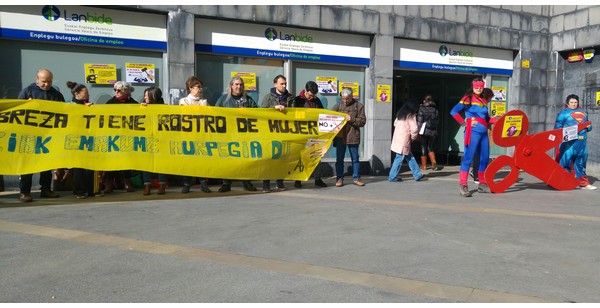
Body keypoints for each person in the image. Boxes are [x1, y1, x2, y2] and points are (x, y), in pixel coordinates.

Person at [16, 68, 65, 202]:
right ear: (37, 79)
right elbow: (17, 111)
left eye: (49, 81)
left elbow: (65, 112)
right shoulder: (27, 91)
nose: (47, 84)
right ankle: (25, 192)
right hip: (29, 135)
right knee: (28, 165)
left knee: (46, 164)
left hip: (47, 135)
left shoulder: (56, 95)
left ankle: (46, 190)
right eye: (44, 81)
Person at [450, 78, 496, 197]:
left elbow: (487, 119)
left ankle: (482, 183)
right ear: (473, 86)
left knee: (484, 158)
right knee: (468, 158)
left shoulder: (484, 100)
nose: (479, 88)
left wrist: (499, 120)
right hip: (473, 132)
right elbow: (454, 112)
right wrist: (464, 122)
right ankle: (463, 185)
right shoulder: (467, 98)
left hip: (483, 133)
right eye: (477, 86)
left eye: (481, 86)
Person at [214, 76, 258, 192]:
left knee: (245, 159)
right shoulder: (223, 100)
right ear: (231, 86)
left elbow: (258, 114)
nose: (239, 87)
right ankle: (226, 183)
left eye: (241, 85)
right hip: (228, 135)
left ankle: (246, 182)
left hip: (245, 135)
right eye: (236, 84)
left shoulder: (249, 100)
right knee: (227, 159)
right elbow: (215, 114)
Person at [66, 81, 103, 199]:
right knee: (79, 167)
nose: (88, 94)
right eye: (85, 93)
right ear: (77, 94)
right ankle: (79, 191)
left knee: (92, 165)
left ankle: (93, 189)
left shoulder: (90, 105)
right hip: (76, 139)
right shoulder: (70, 106)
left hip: (90, 138)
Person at [554, 94, 597, 190]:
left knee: (581, 162)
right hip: (568, 142)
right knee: (565, 162)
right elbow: (557, 129)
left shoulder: (584, 113)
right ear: (567, 103)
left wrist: (588, 127)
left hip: (581, 142)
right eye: (571, 102)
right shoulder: (562, 114)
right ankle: (563, 181)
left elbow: (589, 127)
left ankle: (583, 183)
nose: (573, 104)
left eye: (575, 102)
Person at [260, 74, 295, 192]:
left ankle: (280, 182)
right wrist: (273, 108)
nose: (284, 86)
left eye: (285, 84)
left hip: (285, 132)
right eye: (282, 84)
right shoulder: (268, 97)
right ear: (275, 84)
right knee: (269, 158)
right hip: (271, 132)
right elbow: (261, 113)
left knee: (282, 158)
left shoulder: (290, 98)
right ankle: (266, 184)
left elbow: (295, 113)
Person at [103, 81, 138, 193]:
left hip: (127, 136)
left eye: (119, 90)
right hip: (113, 136)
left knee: (127, 160)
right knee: (112, 160)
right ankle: (109, 183)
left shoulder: (134, 104)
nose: (116, 92)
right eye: (115, 90)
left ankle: (127, 182)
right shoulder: (110, 103)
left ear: (126, 91)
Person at [178, 76, 211, 193]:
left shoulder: (204, 101)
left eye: (201, 87)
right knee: (188, 160)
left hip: (201, 135)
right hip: (188, 136)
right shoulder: (183, 101)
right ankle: (187, 184)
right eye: (198, 87)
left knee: (202, 160)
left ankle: (203, 183)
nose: (200, 89)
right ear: (190, 88)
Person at [292, 81, 328, 188]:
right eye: (311, 95)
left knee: (316, 156)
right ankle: (298, 180)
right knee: (300, 157)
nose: (313, 97)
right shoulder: (298, 100)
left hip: (314, 134)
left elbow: (323, 114)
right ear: (306, 91)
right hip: (301, 134)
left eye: (314, 95)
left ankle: (318, 179)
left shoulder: (317, 101)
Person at [332, 87, 366, 187]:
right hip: (340, 136)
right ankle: (339, 178)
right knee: (339, 159)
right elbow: (331, 118)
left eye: (347, 98)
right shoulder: (337, 106)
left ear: (352, 96)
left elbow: (362, 121)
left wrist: (351, 119)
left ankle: (356, 178)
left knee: (355, 159)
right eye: (343, 98)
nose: (345, 100)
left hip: (353, 136)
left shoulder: (358, 106)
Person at [140, 87, 169, 195]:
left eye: (146, 95)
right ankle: (147, 185)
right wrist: (141, 110)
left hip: (161, 138)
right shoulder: (142, 107)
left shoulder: (164, 108)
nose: (144, 97)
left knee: (161, 162)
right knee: (145, 162)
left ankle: (162, 184)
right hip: (146, 138)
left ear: (153, 96)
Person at [388, 98, 424, 183]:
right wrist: (413, 137)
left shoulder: (400, 114)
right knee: (399, 158)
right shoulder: (411, 115)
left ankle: (417, 174)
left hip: (397, 138)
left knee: (409, 156)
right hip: (404, 140)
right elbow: (414, 129)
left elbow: (395, 123)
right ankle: (392, 176)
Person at [468, 88, 495, 183]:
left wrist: (497, 120)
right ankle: (476, 175)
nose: (490, 100)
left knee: (482, 156)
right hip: (475, 132)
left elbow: (487, 119)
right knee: (478, 155)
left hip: (482, 132)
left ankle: (478, 175)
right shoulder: (476, 105)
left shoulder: (484, 106)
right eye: (490, 98)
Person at [417, 94, 442, 171]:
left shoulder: (421, 109)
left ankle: (424, 165)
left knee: (423, 146)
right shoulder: (435, 109)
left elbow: (420, 121)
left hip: (424, 130)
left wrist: (418, 130)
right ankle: (433, 161)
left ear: (424, 101)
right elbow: (437, 121)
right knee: (430, 146)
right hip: (433, 130)